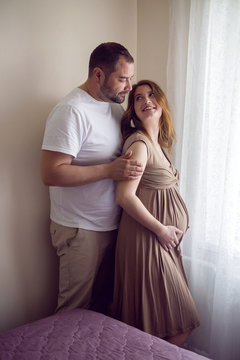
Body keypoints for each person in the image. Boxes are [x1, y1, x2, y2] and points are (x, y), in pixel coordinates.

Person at [41, 42, 143, 314]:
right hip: (80, 230)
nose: (128, 87)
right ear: (98, 74)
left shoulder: (114, 107)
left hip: (112, 226)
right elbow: (51, 172)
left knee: (104, 312)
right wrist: (108, 171)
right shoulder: (71, 111)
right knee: (74, 314)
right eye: (122, 78)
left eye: (130, 78)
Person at [111, 80, 200, 347]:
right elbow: (124, 196)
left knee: (158, 323)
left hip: (162, 241)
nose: (146, 100)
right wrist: (162, 229)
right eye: (138, 98)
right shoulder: (138, 144)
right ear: (134, 111)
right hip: (148, 239)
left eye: (151, 95)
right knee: (182, 319)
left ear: (161, 103)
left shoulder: (159, 145)